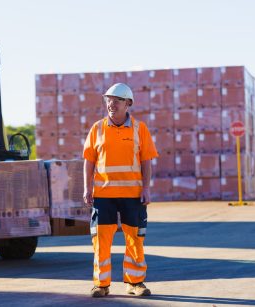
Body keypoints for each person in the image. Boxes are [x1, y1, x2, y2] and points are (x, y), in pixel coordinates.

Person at [82, 83, 158, 298]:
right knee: (101, 241)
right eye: (108, 99)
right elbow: (89, 161)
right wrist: (88, 188)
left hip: (132, 195)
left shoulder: (139, 128)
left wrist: (147, 189)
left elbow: (146, 161)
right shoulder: (97, 129)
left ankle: (135, 283)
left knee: (135, 239)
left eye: (117, 100)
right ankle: (101, 284)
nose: (111, 104)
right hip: (103, 196)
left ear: (128, 103)